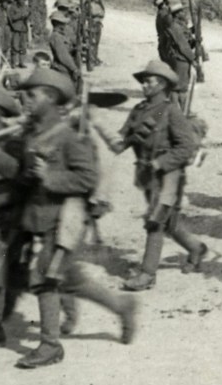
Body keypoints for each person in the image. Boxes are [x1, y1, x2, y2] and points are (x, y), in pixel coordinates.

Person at [7, 67, 137, 367]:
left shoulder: (69, 135)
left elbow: (87, 179)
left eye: (31, 94)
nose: (24, 99)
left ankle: (50, 345)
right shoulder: (32, 131)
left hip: (65, 219)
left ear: (50, 97)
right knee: (67, 277)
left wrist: (49, 175)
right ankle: (121, 306)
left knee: (45, 276)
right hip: (37, 215)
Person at [111, 58, 208, 290]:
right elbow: (125, 137)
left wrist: (161, 162)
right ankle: (196, 249)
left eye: (150, 81)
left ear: (163, 84)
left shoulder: (171, 111)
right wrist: (113, 142)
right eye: (143, 82)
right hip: (147, 175)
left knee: (155, 221)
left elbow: (185, 147)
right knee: (169, 223)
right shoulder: (138, 110)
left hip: (170, 176)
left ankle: (147, 274)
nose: (145, 86)